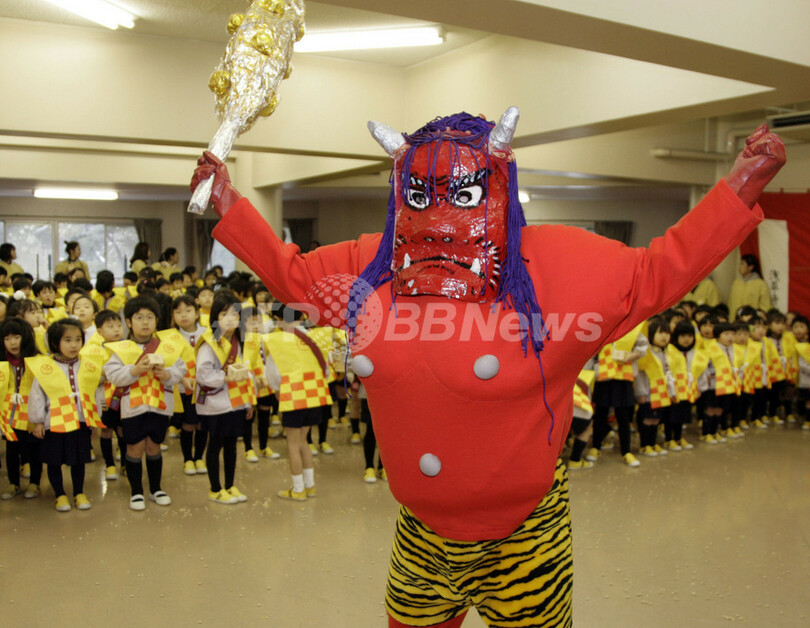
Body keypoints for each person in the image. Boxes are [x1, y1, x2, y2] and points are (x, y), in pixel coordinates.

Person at [193, 112, 784, 627]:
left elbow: (660, 271)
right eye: (422, 196)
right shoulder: (372, 266)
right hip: (423, 534)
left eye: (465, 194)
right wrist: (229, 204)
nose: (442, 215)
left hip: (528, 536)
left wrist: (737, 189)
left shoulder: (555, 266)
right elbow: (294, 275)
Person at [103, 296, 187, 511]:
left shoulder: (166, 348)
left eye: (150, 317)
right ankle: (136, 491)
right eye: (139, 318)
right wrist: (135, 370)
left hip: (160, 405)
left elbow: (181, 369)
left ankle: (156, 488)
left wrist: (166, 374)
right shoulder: (122, 348)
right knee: (135, 447)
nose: (145, 322)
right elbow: (113, 375)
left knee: (154, 445)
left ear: (157, 321)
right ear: (129, 322)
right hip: (133, 407)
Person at [27, 319, 101, 512]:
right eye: (67, 340)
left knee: (79, 458)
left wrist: (93, 418)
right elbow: (36, 394)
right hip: (54, 422)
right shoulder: (46, 367)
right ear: (55, 343)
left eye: (78, 339)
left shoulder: (87, 364)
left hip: (79, 420)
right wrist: (37, 421)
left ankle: (79, 492)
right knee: (54, 460)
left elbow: (91, 392)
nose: (74, 344)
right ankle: (59, 494)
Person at [195, 293, 254, 504]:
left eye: (234, 314)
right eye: (224, 314)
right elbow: (202, 373)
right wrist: (224, 377)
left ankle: (230, 485)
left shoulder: (240, 341)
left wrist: (249, 402)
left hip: (236, 401)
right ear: (214, 317)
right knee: (216, 444)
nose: (230, 318)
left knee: (231, 444)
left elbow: (246, 372)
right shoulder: (209, 343)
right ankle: (215, 488)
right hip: (215, 403)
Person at [0, 318, 42, 500]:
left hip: (31, 413)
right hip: (9, 414)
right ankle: (13, 483)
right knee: (11, 448)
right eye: (7, 338)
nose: (12, 343)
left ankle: (35, 483)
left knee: (34, 448)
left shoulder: (37, 360)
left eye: (16, 337)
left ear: (25, 337)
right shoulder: (2, 362)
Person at [170, 295, 209, 475]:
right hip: (183, 388)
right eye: (178, 312)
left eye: (188, 311)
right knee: (187, 424)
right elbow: (169, 362)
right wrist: (182, 378)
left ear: (196, 313)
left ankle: (199, 457)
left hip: (205, 388)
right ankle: (187, 459)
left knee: (202, 424)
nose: (183, 315)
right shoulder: (171, 337)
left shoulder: (207, 333)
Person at [694, 321, 740, 443]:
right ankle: (706, 433)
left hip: (727, 385)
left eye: (732, 334)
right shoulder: (710, 347)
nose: (730, 337)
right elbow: (704, 366)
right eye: (726, 334)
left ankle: (715, 431)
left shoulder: (733, 349)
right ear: (718, 336)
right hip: (713, 385)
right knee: (711, 408)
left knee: (720, 409)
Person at [729, 254, 772, 320]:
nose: (740, 267)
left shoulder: (760, 284)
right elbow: (731, 304)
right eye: (740, 264)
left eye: (742, 264)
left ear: (751, 267)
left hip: (752, 322)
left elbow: (765, 306)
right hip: (735, 322)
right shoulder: (736, 283)